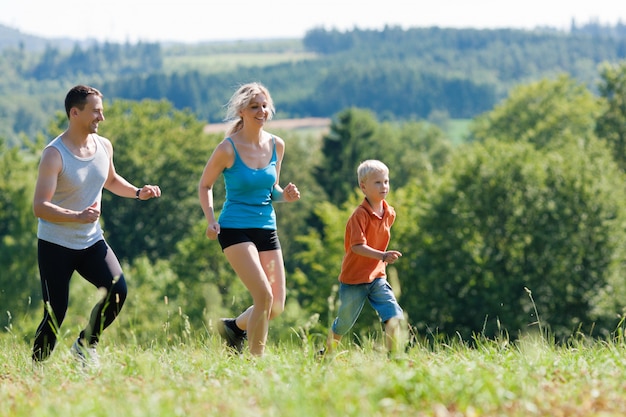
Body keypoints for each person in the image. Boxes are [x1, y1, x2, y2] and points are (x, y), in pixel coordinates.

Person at [32, 85, 161, 366]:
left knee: (118, 290)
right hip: (56, 244)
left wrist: (139, 192)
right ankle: (36, 370)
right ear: (74, 113)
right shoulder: (54, 154)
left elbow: (111, 180)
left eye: (101, 111)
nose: (101, 117)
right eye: (95, 112)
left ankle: (85, 345)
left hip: (91, 241)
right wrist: (76, 216)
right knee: (56, 312)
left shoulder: (104, 146)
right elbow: (39, 206)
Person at [198, 82, 300, 356]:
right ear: (241, 110)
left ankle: (233, 328)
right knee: (263, 296)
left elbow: (272, 190)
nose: (261, 111)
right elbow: (205, 185)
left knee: (276, 305)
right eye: (254, 106)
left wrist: (285, 196)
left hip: (266, 227)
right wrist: (210, 219)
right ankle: (256, 362)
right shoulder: (228, 148)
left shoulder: (277, 145)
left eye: (264, 106)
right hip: (234, 228)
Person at [322, 159, 404, 356]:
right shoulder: (359, 215)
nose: (384, 186)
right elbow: (357, 247)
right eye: (377, 182)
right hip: (354, 278)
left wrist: (380, 260)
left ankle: (394, 357)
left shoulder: (389, 213)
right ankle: (327, 354)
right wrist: (383, 255)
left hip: (377, 276)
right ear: (363, 187)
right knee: (344, 323)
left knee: (393, 314)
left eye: (386, 181)